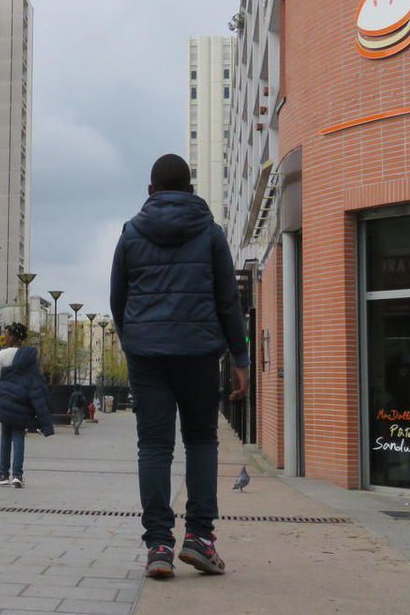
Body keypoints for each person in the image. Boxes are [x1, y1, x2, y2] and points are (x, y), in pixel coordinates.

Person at [110, 153, 249, 579]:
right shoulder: (210, 233)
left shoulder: (131, 233)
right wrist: (241, 357)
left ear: (151, 190)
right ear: (191, 190)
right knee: (201, 442)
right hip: (198, 354)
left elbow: (118, 298)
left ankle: (158, 546)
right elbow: (229, 301)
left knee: (153, 447)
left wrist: (133, 340)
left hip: (147, 356)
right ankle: (200, 539)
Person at [0, 322, 54, 488]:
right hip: (23, 402)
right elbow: (34, 380)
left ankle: (3, 475)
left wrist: (4, 391)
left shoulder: (2, 355)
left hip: (6, 401)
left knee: (5, 437)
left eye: (6, 334)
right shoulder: (29, 357)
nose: (4, 337)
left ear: (13, 337)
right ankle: (18, 475)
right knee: (18, 437)